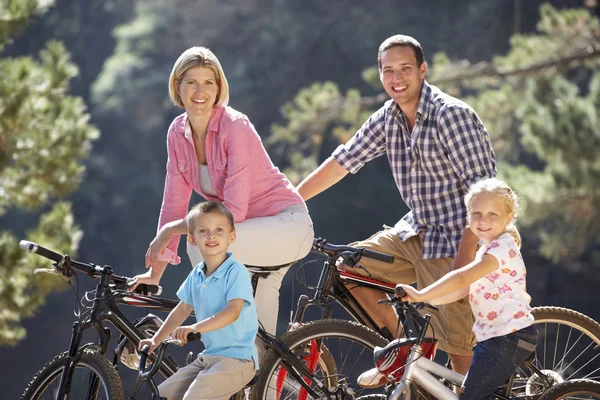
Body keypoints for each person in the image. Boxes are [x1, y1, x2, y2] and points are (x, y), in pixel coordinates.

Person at [296, 34, 496, 386]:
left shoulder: (451, 115)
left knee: (461, 359)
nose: (396, 78)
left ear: (422, 70)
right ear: (380, 75)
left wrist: (465, 257)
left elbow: (484, 194)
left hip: (459, 236)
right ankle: (406, 349)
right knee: (349, 269)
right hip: (416, 230)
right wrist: (291, 201)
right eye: (388, 71)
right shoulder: (388, 117)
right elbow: (342, 162)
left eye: (405, 69)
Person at [130, 46, 314, 339]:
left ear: (219, 89)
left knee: (200, 239)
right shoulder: (178, 133)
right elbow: (174, 203)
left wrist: (168, 231)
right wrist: (155, 274)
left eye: (208, 82)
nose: (200, 90)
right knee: (256, 349)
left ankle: (198, 334)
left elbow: (233, 212)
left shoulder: (235, 126)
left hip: (286, 226)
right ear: (178, 86)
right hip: (246, 238)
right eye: (191, 82)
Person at [397, 178, 537, 399]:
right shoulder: (486, 248)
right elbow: (464, 290)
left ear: (509, 217)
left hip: (508, 338)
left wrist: (423, 293)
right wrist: (430, 301)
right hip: (493, 338)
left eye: (493, 214)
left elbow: (462, 278)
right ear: (468, 215)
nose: (483, 220)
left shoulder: (501, 250)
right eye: (477, 214)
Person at [138, 201, 259, 400]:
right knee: (160, 395)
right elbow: (182, 309)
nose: (211, 235)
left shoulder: (235, 271)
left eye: (219, 230)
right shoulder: (197, 274)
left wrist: (196, 328)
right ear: (192, 239)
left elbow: (233, 311)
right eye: (203, 230)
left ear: (231, 236)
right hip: (209, 358)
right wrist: (155, 340)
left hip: (238, 359)